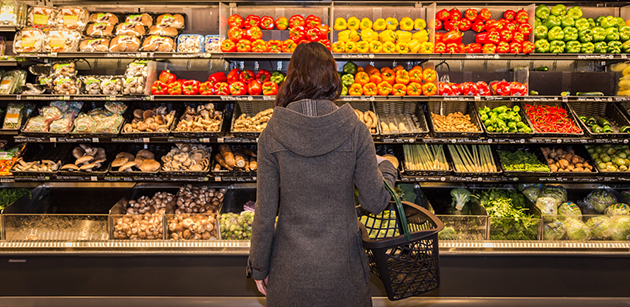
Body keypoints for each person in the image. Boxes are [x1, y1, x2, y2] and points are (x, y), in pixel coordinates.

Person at [247, 41, 397, 307]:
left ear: (291, 77)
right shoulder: (356, 130)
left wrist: (258, 267)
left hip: (289, 273)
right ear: (332, 76)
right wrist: (386, 167)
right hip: (344, 273)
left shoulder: (271, 134)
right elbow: (375, 201)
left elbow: (265, 212)